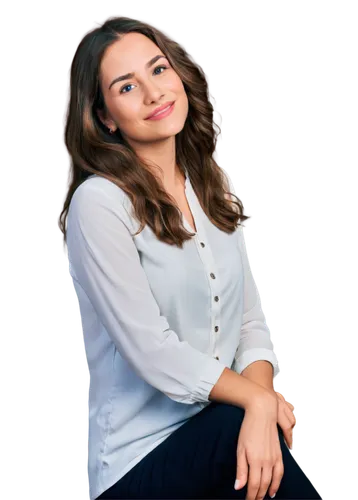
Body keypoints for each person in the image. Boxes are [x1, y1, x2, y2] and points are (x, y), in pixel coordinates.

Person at [57, 14, 322, 500]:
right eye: (127, 86)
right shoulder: (99, 205)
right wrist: (257, 403)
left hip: (218, 432)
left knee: (247, 431)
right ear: (106, 117)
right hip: (139, 462)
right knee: (238, 427)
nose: (154, 93)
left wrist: (259, 400)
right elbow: (152, 351)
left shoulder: (213, 184)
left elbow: (248, 324)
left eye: (158, 70)